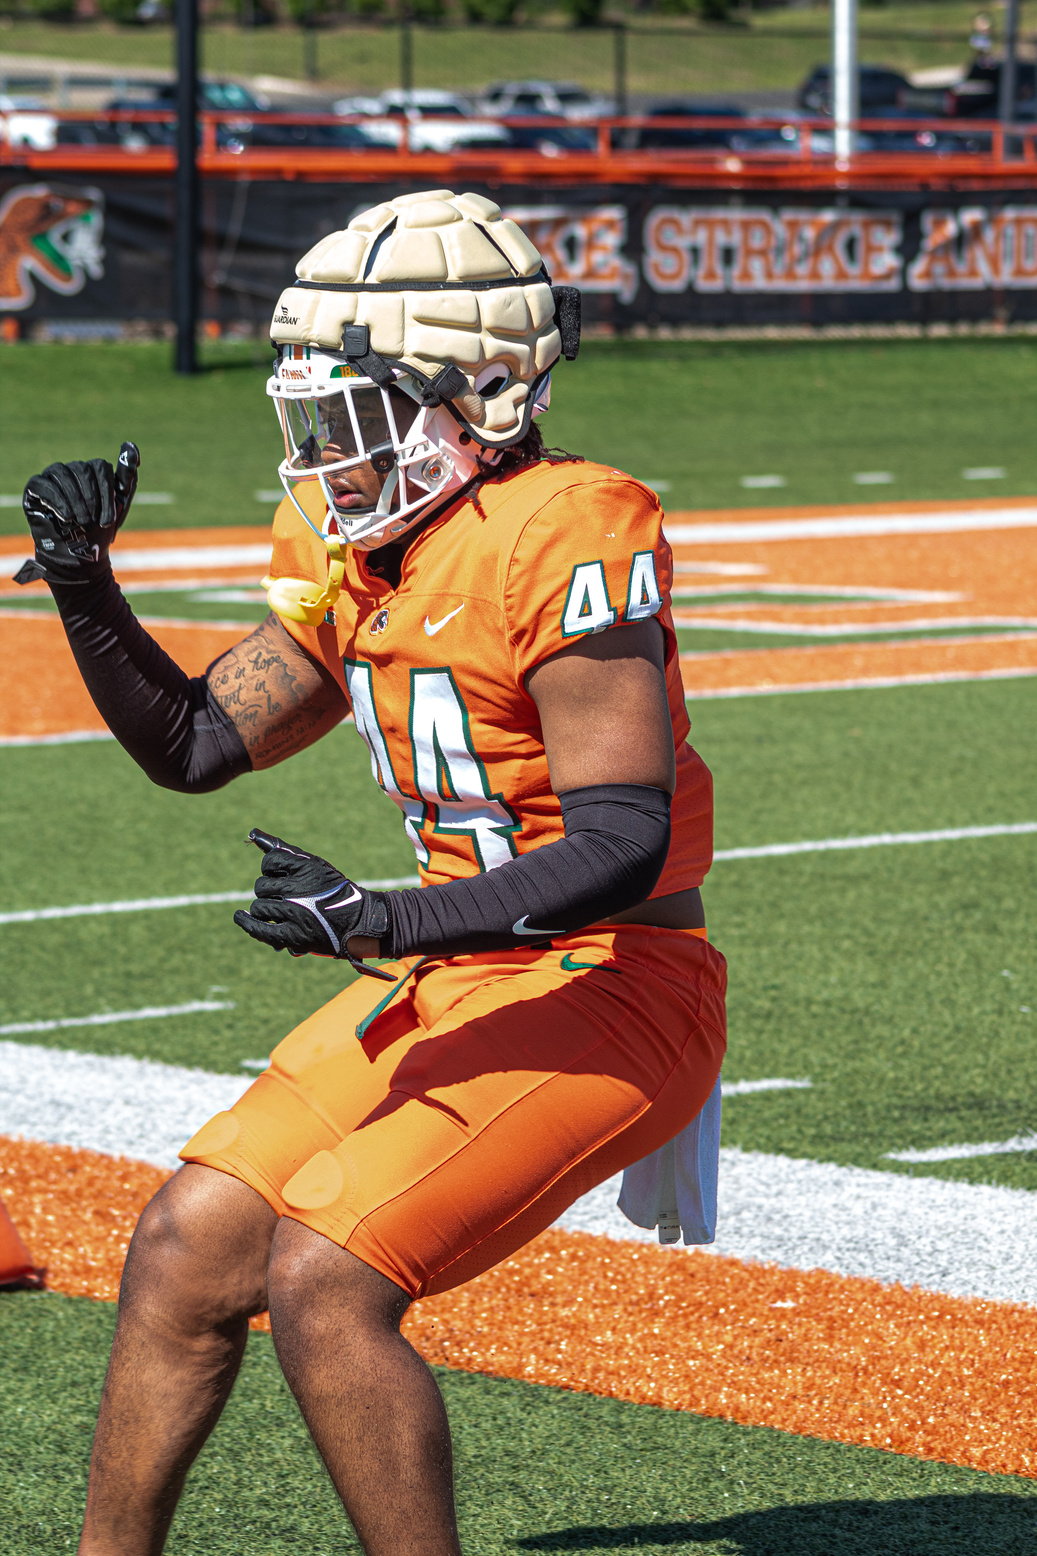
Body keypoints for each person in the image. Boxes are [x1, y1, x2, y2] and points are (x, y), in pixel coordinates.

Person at [18, 189, 726, 1556]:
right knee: (184, 1246)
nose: (327, 456)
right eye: (313, 418)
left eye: (358, 414)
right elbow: (197, 743)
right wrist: (83, 583)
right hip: (460, 966)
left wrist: (383, 917)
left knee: (325, 1274)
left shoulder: (562, 525)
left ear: (486, 397)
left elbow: (620, 840)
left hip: (618, 975)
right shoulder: (362, 548)